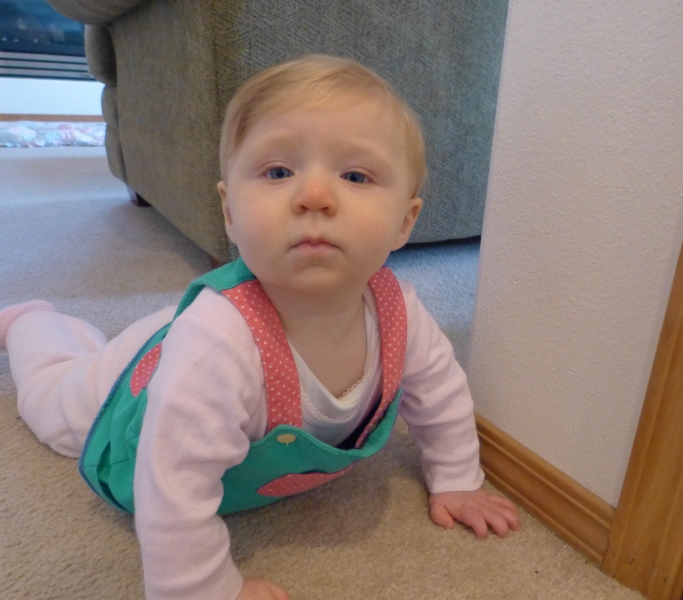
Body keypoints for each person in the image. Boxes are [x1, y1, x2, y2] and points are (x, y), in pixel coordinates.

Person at [0, 55, 519, 600]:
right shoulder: (215, 343)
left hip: (189, 350)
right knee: (54, 396)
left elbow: (440, 393)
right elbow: (171, 480)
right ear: (230, 213)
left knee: (135, 358)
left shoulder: (399, 312)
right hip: (143, 387)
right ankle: (28, 322)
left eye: (355, 176)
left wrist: (457, 478)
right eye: (278, 172)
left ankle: (75, 334)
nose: (314, 196)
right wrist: (200, 587)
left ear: (405, 222)